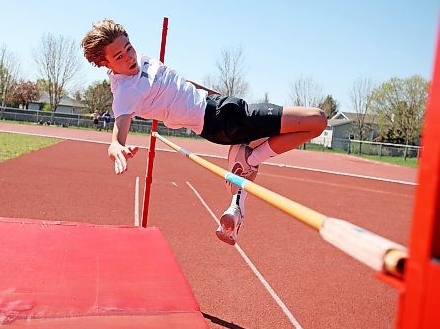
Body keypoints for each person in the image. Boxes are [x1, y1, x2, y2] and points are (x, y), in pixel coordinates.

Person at [81, 19, 327, 245]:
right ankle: (250, 160)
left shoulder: (144, 61)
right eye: (118, 57)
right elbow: (119, 129)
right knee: (317, 121)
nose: (128, 57)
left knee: (265, 140)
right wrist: (116, 145)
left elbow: (183, 85)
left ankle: (237, 204)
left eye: (129, 48)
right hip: (219, 119)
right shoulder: (125, 91)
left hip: (219, 107)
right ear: (106, 63)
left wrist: (214, 93)